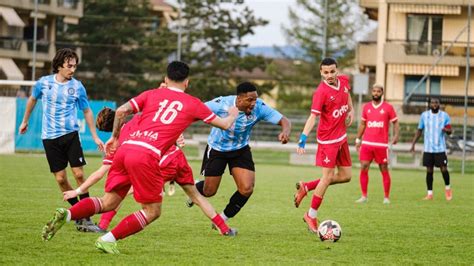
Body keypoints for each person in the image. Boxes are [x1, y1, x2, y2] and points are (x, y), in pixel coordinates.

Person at [41, 61, 239, 254]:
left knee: (108, 201)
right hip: (147, 155)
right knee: (153, 211)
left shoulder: (151, 94)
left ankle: (67, 214)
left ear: (165, 78)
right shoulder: (193, 103)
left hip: (125, 150)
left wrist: (114, 137)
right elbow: (225, 125)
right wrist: (233, 114)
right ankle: (107, 239)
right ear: (187, 82)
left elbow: (121, 111)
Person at [63, 107, 236, 236]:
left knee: (125, 194)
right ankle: (224, 229)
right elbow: (164, 123)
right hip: (176, 157)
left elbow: (99, 173)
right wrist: (177, 136)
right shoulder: (138, 120)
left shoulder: (116, 143)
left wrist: (78, 191)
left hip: (155, 163)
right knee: (196, 197)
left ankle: (104, 229)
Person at [19, 48, 104, 232]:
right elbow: (32, 100)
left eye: (75, 66)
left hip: (71, 135)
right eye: (69, 66)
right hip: (49, 138)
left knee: (79, 175)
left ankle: (87, 217)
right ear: (59, 66)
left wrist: (95, 136)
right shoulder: (43, 83)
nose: (72, 70)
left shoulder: (78, 87)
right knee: (60, 179)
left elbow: (87, 111)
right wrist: (25, 121)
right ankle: (78, 214)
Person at [190, 81, 291, 227]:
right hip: (217, 149)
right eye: (250, 100)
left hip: (240, 150)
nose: (253, 104)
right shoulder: (221, 104)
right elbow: (195, 111)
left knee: (246, 189)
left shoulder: (259, 107)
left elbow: (284, 120)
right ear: (239, 99)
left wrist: (285, 131)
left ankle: (222, 219)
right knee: (209, 191)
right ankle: (193, 187)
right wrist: (177, 130)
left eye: (255, 99)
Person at [293, 57, 354, 233]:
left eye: (332, 71)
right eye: (326, 72)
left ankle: (307, 186)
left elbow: (347, 93)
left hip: (341, 137)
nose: (329, 75)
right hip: (328, 141)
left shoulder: (343, 81)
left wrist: (350, 110)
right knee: (327, 178)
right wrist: (303, 138)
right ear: (321, 73)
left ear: (337, 71)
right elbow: (313, 117)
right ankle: (311, 215)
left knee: (346, 176)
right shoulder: (321, 92)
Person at [354, 84, 400, 204]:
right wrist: (358, 139)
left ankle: (386, 197)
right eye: (374, 91)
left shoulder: (388, 107)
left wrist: (395, 136)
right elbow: (363, 124)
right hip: (367, 143)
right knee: (364, 167)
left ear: (382, 93)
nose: (375, 93)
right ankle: (364, 196)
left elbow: (395, 123)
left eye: (378, 91)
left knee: (383, 169)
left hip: (381, 145)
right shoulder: (366, 107)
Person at [410, 97, 453, 201]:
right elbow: (420, 130)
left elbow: (450, 130)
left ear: (439, 104)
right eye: (432, 103)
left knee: (444, 169)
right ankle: (429, 194)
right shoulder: (424, 116)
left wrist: (446, 130)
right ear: (429, 104)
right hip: (428, 149)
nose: (434, 104)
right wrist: (413, 143)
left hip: (440, 148)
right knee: (429, 171)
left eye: (436, 103)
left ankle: (448, 189)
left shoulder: (444, 116)